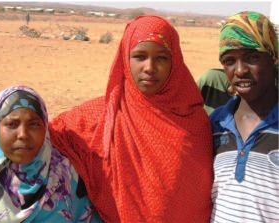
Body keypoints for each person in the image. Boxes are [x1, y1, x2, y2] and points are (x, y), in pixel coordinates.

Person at [49, 15, 213, 222]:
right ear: (125, 60)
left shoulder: (194, 121)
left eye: (161, 57)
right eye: (139, 56)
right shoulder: (100, 115)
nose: (149, 67)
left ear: (176, 61)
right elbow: (43, 138)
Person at [0, 86, 102, 223]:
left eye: (34, 124)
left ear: (45, 129)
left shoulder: (67, 179)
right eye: (12, 124)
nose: (23, 135)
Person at [210, 11, 279, 222]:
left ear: (273, 58)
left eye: (252, 57)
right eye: (229, 61)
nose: (240, 71)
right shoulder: (215, 124)